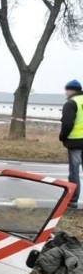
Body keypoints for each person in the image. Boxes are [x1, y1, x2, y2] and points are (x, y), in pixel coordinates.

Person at [59, 79, 83, 208]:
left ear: (70, 90)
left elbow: (67, 123)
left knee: (74, 172)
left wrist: (62, 137)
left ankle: (73, 201)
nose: (65, 93)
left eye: (66, 90)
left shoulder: (71, 103)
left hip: (76, 143)